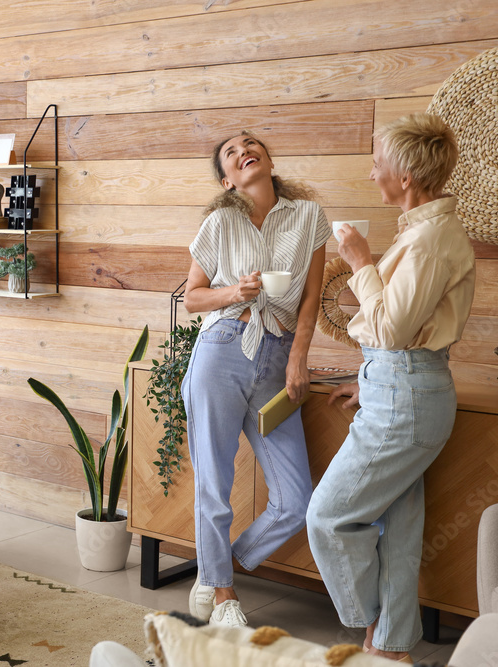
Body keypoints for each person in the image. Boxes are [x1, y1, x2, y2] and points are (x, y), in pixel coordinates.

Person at [306, 113, 475, 663]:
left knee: (327, 517)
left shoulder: (428, 240)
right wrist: (370, 378)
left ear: (404, 175)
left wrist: (359, 263)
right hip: (401, 389)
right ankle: (393, 650)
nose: (372, 171)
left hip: (405, 397)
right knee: (400, 528)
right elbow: (399, 338)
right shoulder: (424, 232)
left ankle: (375, 627)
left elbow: (391, 329)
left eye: (379, 162)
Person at [181, 132, 330, 627]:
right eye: (232, 151)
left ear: (268, 159)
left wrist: (299, 358)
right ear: (227, 178)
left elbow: (310, 298)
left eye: (252, 143)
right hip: (222, 348)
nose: (245, 148)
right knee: (214, 481)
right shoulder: (219, 222)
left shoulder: (309, 217)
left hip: (278, 358)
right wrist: (234, 293)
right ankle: (224, 596)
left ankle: (217, 566)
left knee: (297, 501)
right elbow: (193, 299)